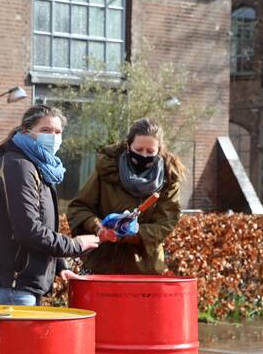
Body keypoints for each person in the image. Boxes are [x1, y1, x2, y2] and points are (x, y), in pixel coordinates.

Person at [0, 105, 100, 306]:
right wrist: (75, 245)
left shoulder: (38, 167)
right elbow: (27, 230)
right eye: (45, 131)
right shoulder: (19, 166)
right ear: (26, 132)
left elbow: (42, 225)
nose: (53, 137)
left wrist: (58, 265)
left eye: (58, 132)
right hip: (10, 284)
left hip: (20, 284)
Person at [67, 118, 185, 275]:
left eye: (150, 152)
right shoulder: (107, 170)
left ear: (159, 151)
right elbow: (79, 207)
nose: (144, 155)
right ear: (129, 146)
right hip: (101, 265)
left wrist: (132, 233)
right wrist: (98, 226)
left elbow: (166, 223)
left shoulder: (168, 180)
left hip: (145, 269)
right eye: (139, 149)